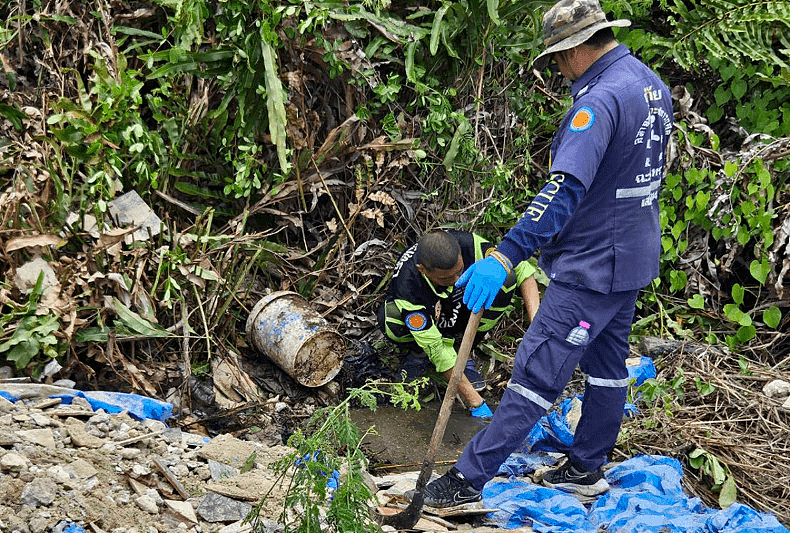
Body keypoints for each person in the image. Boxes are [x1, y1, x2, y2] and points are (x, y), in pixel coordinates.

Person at [417, 0, 674, 506]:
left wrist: (506, 255)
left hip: (593, 265)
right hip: (633, 255)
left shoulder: (597, 103)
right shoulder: (648, 83)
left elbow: (563, 190)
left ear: (578, 48)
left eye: (558, 57)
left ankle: (467, 480)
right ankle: (586, 468)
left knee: (536, 373)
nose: (557, 68)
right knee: (607, 368)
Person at [379, 229, 540, 418]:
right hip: (431, 316)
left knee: (507, 275)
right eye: (446, 278)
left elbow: (522, 269)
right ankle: (418, 353)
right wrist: (476, 403)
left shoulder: (469, 244)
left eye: (459, 271)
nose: (457, 281)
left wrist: (537, 326)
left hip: (463, 308)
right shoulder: (407, 286)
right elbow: (438, 350)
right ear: (423, 270)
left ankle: (466, 348)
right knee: (389, 318)